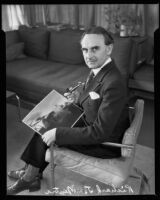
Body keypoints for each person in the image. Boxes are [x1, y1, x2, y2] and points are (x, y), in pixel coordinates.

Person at [7, 26, 130, 195]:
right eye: (85, 50)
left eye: (95, 48)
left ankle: (29, 177)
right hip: (90, 122)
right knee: (45, 120)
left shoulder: (114, 81)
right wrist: (75, 99)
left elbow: (100, 132)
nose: (88, 55)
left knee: (51, 130)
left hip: (103, 143)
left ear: (109, 49)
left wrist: (58, 133)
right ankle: (30, 172)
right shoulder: (99, 70)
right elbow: (92, 98)